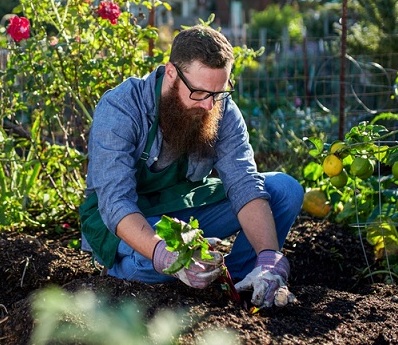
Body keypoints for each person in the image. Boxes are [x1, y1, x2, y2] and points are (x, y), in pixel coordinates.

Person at [79, 25, 304, 308]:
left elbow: (244, 182)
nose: (210, 105)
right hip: (124, 219)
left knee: (284, 190)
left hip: (182, 209)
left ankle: (241, 282)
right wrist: (163, 254)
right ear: (171, 73)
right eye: (199, 92)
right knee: (155, 263)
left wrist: (269, 257)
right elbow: (115, 203)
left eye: (219, 92)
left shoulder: (220, 108)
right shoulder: (122, 108)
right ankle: (120, 274)